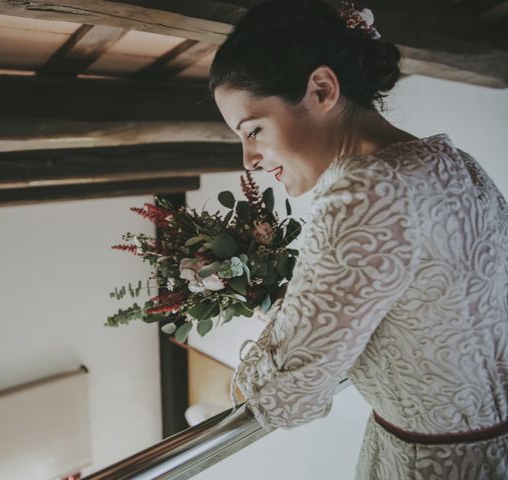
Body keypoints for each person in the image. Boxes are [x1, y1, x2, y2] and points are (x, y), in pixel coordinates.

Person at [209, 0, 508, 478]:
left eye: (254, 130)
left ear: (322, 89)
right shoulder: (458, 165)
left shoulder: (365, 189)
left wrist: (258, 359)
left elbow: (286, 396)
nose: (249, 159)